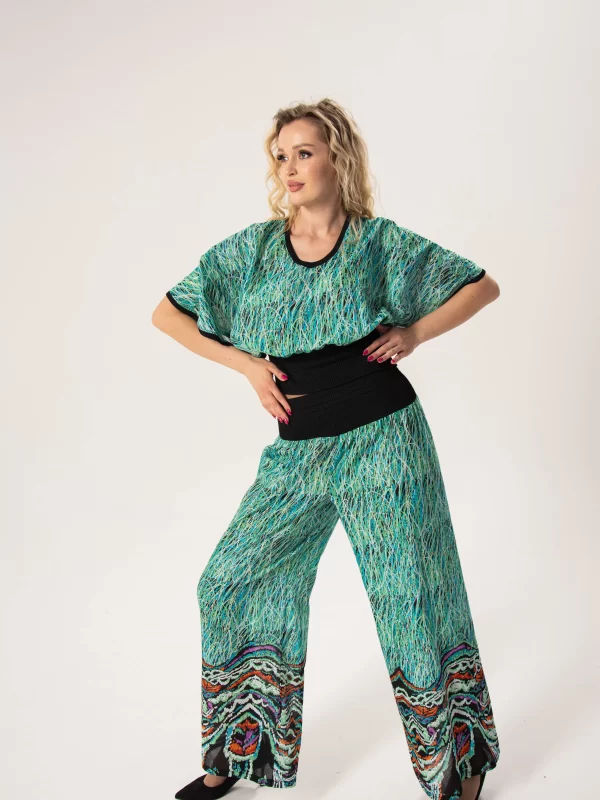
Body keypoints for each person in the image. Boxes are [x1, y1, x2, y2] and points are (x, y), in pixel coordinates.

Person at [152, 98, 501, 800]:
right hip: (298, 452)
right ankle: (239, 752)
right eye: (281, 156)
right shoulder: (250, 252)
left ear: (338, 158)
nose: (290, 168)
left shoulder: (378, 243)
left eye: (304, 152)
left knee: (414, 598)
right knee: (230, 581)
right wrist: (248, 367)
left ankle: (460, 767)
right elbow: (169, 314)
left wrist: (414, 333)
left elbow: (480, 287)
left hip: (384, 441)